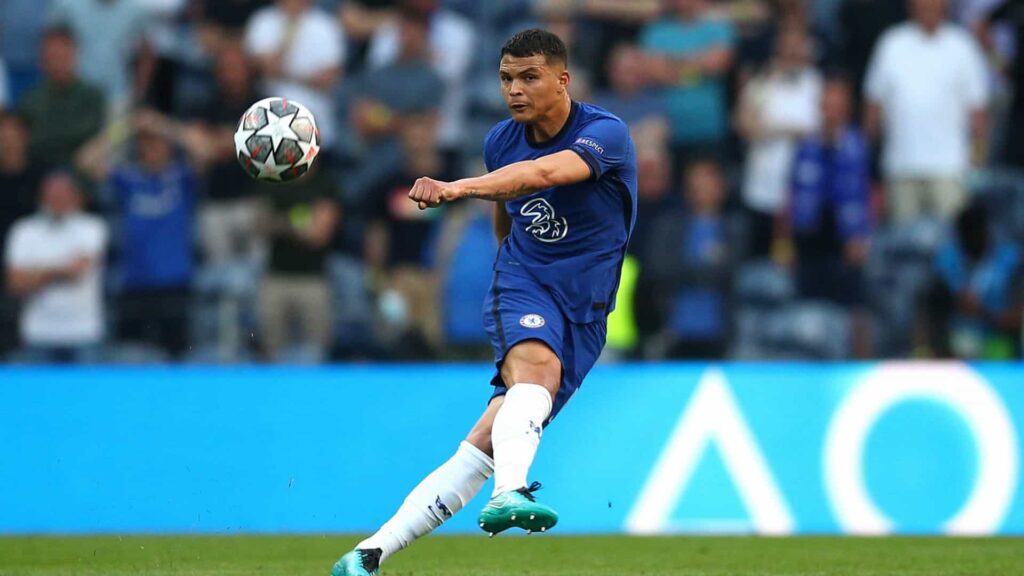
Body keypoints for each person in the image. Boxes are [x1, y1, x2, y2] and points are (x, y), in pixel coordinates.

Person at [332, 29, 637, 576]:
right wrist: (512, 271)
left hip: (586, 311)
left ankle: (368, 553)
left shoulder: (605, 133)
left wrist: (458, 187)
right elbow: (508, 203)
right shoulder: (502, 140)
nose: (514, 90)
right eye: (505, 78)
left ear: (562, 80)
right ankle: (509, 493)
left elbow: (542, 174)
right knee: (536, 375)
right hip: (525, 282)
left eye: (529, 77)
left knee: (487, 440)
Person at [864, 0, 990, 223]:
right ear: (910, 5)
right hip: (900, 168)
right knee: (904, 240)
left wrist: (977, 167)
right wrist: (871, 170)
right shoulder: (891, 43)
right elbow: (873, 108)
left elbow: (978, 114)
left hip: (950, 170)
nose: (928, 6)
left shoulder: (962, 45)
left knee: (949, 240)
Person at [784, 76, 872, 357]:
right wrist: (784, 245)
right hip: (809, 240)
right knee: (807, 312)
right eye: (827, 105)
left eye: (838, 105)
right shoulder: (805, 147)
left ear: (847, 109)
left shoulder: (860, 145)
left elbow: (874, 193)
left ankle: (859, 369)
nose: (832, 112)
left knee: (854, 314)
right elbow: (790, 196)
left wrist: (864, 236)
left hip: (848, 241)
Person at [736, 24, 822, 258]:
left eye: (797, 47)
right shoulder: (761, 83)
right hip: (763, 185)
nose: (791, 53)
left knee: (803, 256)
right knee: (762, 255)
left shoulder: (816, 83)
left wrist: (771, 129)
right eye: (786, 47)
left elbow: (823, 129)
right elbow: (745, 127)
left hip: (805, 186)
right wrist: (789, 130)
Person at [4, 170, 108, 363]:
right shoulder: (24, 231)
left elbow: (77, 271)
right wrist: (61, 269)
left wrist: (35, 273)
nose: (57, 199)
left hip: (83, 332)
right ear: (42, 197)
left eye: (63, 194)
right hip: (38, 332)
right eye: (52, 195)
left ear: (76, 197)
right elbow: (15, 283)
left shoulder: (92, 227)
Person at [643, 158, 741, 359]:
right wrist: (707, 267)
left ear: (721, 188)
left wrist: (689, 271)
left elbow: (731, 271)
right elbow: (659, 269)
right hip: (673, 331)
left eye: (708, 183)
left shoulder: (735, 228)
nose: (702, 189)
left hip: (721, 334)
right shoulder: (669, 227)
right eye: (696, 184)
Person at [18, 26, 106, 170]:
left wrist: (49, 137)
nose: (57, 62)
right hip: (39, 171)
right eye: (52, 56)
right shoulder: (31, 99)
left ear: (74, 55)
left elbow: (90, 136)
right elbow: (30, 142)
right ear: (42, 59)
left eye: (62, 55)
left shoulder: (92, 96)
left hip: (81, 170)